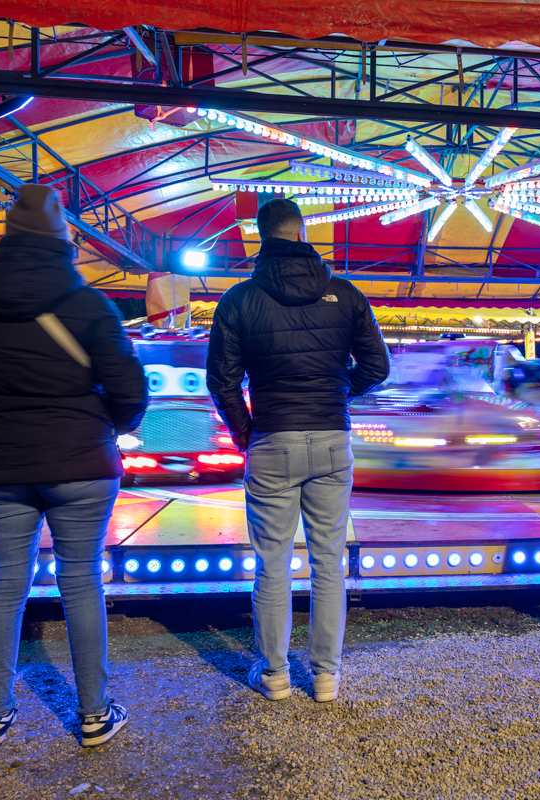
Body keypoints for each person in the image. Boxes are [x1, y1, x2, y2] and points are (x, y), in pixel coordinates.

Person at [0, 185, 147, 748]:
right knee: (80, 580)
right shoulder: (89, 305)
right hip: (79, 459)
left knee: (4, 583)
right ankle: (94, 715)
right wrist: (111, 423)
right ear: (63, 239)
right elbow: (129, 387)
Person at [207, 198, 389, 703]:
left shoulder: (238, 299)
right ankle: (326, 676)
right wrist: (337, 395)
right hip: (331, 438)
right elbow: (377, 367)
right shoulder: (345, 293)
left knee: (273, 563)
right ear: (303, 233)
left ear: (259, 236)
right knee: (329, 560)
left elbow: (222, 381)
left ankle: (275, 676)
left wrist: (246, 432)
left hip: (272, 439)